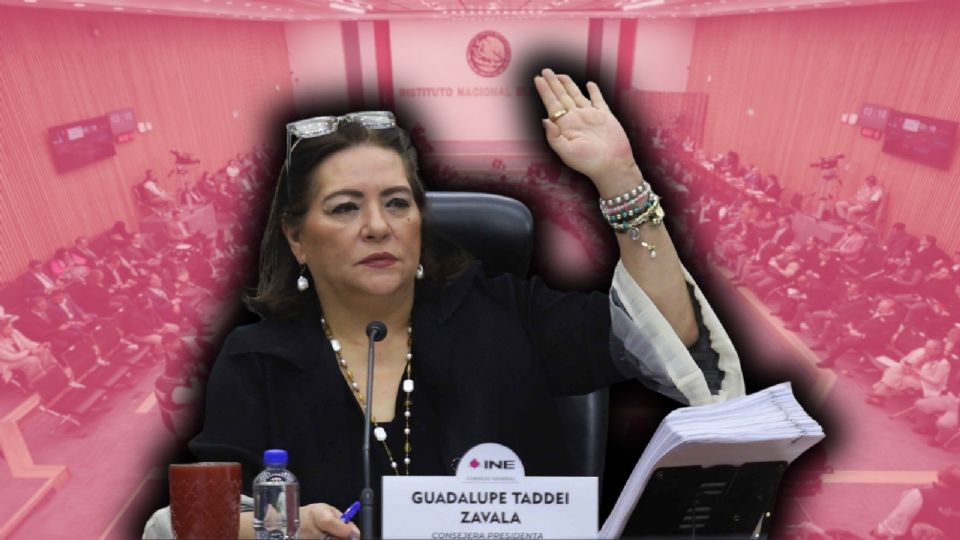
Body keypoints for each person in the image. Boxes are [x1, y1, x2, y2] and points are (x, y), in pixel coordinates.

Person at [176, 70, 745, 539]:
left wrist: (621, 181)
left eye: (397, 203)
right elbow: (200, 522)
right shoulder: (258, 359)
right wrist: (283, 527)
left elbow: (667, 333)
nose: (378, 226)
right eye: (346, 207)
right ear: (297, 238)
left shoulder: (505, 312)